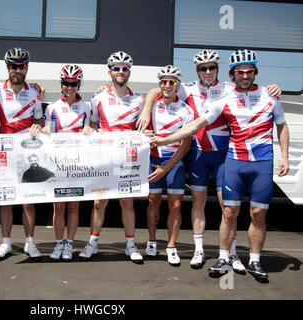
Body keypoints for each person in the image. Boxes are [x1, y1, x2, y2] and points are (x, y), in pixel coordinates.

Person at [150, 49, 289, 282]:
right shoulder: (190, 89)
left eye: (211, 67)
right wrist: (150, 115)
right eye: (202, 68)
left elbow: (270, 111)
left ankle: (233, 254)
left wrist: (273, 88)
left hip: (226, 154)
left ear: (219, 69)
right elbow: (161, 90)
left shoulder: (230, 88)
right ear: (197, 71)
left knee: (232, 208)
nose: (207, 72)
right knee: (201, 203)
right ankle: (200, 250)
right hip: (199, 153)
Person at [79, 51, 145, 263]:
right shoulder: (98, 98)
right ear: (109, 72)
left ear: (129, 72)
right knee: (99, 203)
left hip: (127, 159)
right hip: (105, 157)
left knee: (127, 203)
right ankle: (92, 243)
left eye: (124, 68)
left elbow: (142, 129)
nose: (120, 71)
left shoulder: (139, 100)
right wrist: (90, 130)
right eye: (116, 68)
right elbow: (93, 124)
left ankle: (130, 245)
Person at [0, 47, 45, 260]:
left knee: (28, 201)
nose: (17, 70)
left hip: (28, 152)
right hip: (5, 154)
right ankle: (6, 242)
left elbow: (39, 120)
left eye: (21, 66)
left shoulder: (35, 93)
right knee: (6, 199)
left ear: (26, 68)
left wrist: (39, 126)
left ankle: (30, 242)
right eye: (13, 66)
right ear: (8, 67)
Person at [42, 64, 92, 261]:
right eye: (66, 83)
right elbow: (48, 131)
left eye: (73, 83)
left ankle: (69, 244)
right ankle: (58, 244)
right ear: (61, 84)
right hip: (58, 165)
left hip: (77, 165)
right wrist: (45, 131)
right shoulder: (52, 108)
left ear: (78, 85)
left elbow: (92, 131)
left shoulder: (86, 108)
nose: (69, 87)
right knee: (58, 208)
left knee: (73, 207)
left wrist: (90, 131)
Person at [145, 65, 193, 266]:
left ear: (178, 85)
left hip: (174, 161)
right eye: (163, 81)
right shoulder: (150, 106)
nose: (167, 85)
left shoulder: (186, 110)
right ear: (159, 85)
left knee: (176, 204)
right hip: (153, 158)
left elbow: (186, 144)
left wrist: (167, 167)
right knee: (153, 201)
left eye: (171, 82)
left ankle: (172, 246)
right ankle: (152, 240)